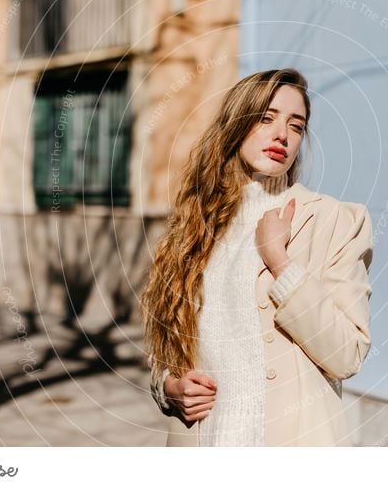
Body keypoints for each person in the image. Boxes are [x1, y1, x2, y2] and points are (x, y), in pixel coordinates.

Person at [141, 67, 373, 446]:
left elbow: (347, 354)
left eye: (296, 126)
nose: (282, 134)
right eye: (266, 118)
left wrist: (282, 265)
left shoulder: (332, 220)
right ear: (236, 124)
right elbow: (165, 346)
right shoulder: (196, 226)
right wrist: (169, 387)